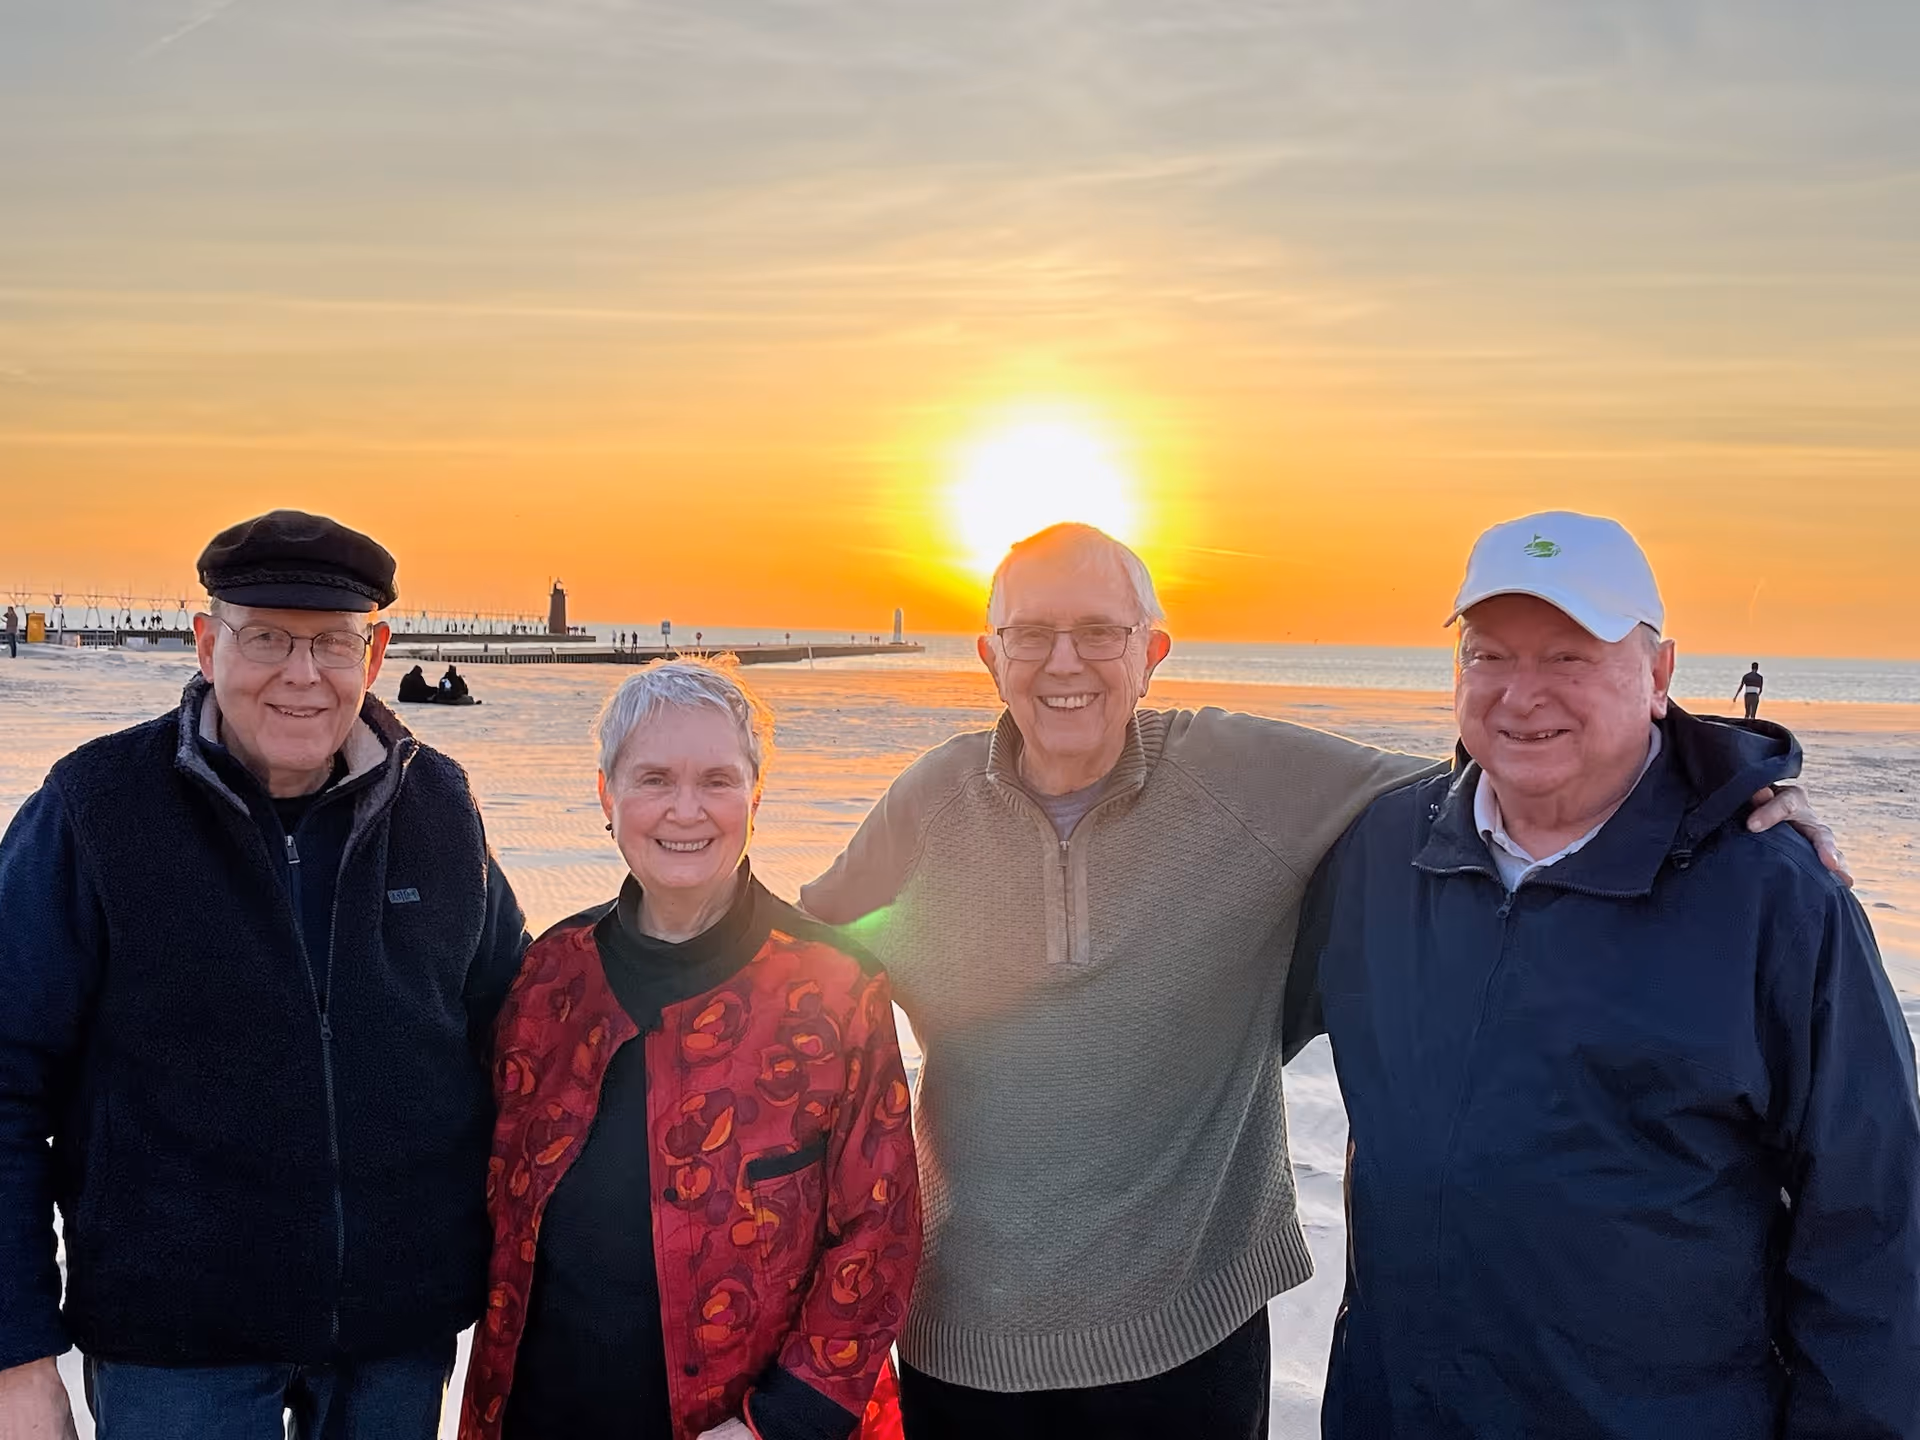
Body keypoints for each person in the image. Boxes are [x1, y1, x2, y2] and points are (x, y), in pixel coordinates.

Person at [798, 522, 1845, 1440]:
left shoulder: (1244, 774)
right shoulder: (931, 800)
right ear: (987, 655)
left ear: (1153, 653)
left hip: (1191, 1332)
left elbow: (1494, 781)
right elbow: (794, 971)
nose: (1063, 663)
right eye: (1030, 634)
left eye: (1100, 632)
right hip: (962, 1335)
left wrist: (1718, 789)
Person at [1288, 512, 1919, 1437]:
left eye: (1569, 657)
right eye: (1489, 655)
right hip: (1399, 1408)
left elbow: (1876, 1223)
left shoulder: (1775, 894)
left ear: (1659, 674)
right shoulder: (1383, 850)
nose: (1520, 694)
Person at [0, 509, 530, 1440]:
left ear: (376, 656)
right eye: (268, 637)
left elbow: (518, 1035)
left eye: (332, 642)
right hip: (176, 1352)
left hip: (392, 1342)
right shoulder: (95, 812)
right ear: (207, 644)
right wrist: (15, 1356)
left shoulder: (438, 805)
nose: (301, 674)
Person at [460, 660, 919, 1440]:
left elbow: (881, 1232)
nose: (685, 809)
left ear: (756, 796)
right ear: (608, 797)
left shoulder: (835, 986)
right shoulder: (547, 978)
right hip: (541, 1414)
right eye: (653, 779)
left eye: (716, 779)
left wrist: (776, 1423)